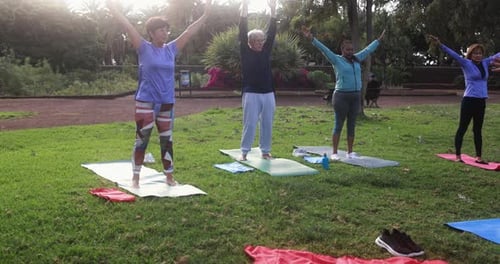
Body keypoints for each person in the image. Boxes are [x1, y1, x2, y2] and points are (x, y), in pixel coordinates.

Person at [107, 0, 211, 188]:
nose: (165, 33)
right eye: (161, 30)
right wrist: (112, 7)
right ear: (152, 33)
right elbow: (127, 25)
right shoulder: (144, 47)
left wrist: (204, 15)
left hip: (166, 103)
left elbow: (189, 32)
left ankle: (169, 177)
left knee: (167, 141)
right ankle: (136, 177)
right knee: (141, 141)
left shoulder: (171, 49)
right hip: (145, 102)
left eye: (166, 30)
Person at [302, 27, 385, 160]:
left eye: (352, 50)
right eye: (348, 50)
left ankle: (350, 152)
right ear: (342, 50)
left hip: (355, 96)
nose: (350, 52)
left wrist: (378, 41)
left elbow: (368, 50)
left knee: (352, 124)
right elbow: (324, 49)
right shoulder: (336, 60)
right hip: (341, 96)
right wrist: (312, 39)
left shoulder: (357, 59)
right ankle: (334, 153)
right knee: (339, 124)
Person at [428, 35, 500, 164]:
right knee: (463, 128)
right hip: (469, 101)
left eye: (480, 53)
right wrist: (440, 44)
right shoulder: (466, 63)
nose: (478, 55)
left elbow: (497, 55)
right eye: (475, 53)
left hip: (481, 101)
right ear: (471, 55)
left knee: (477, 130)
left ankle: (479, 157)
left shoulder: (485, 63)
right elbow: (454, 54)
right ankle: (458, 156)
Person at [238, 0, 277, 161]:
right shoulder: (245, 51)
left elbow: (272, 32)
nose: (261, 43)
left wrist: (273, 11)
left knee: (267, 123)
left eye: (262, 40)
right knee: (250, 123)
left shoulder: (266, 51)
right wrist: (245, 8)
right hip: (251, 93)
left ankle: (265, 151)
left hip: (268, 93)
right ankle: (244, 152)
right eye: (257, 40)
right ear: (250, 42)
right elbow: (242, 31)